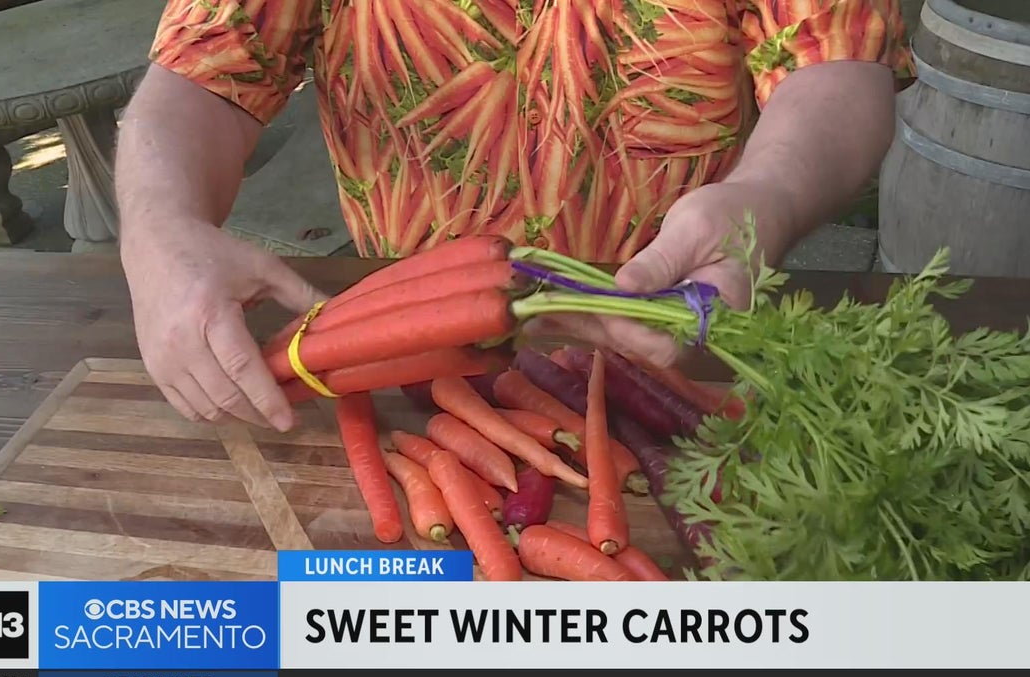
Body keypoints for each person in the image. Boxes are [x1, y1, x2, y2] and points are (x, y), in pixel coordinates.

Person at [117, 0, 915, 434]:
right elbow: (206, 67)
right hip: (404, 367)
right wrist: (159, 232)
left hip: (677, 349)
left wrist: (765, 197)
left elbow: (838, 59)